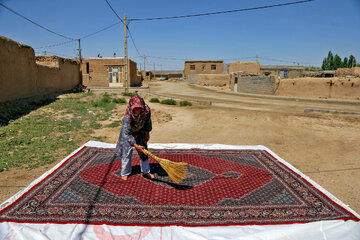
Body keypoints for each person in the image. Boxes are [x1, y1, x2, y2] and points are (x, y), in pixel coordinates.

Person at [115, 95, 155, 181]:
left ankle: (146, 171)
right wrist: (136, 146)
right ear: (131, 108)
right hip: (129, 133)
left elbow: (148, 121)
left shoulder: (146, 111)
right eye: (135, 109)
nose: (137, 111)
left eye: (139, 108)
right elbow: (127, 134)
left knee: (144, 151)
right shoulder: (127, 117)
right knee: (127, 152)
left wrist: (147, 133)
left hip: (141, 131)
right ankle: (125, 172)